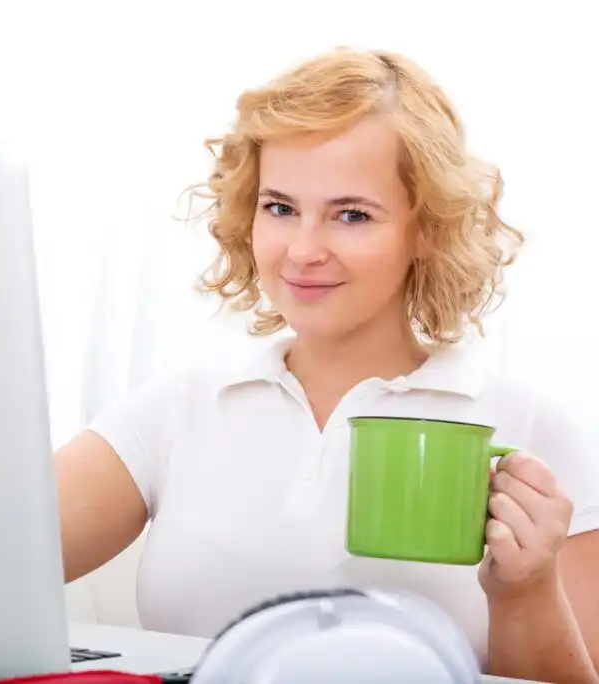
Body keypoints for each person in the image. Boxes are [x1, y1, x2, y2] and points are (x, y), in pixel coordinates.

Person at [53, 47, 599, 684]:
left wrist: (525, 591)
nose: (303, 251)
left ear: (425, 229)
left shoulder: (527, 428)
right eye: (279, 207)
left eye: (351, 215)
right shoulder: (179, 406)